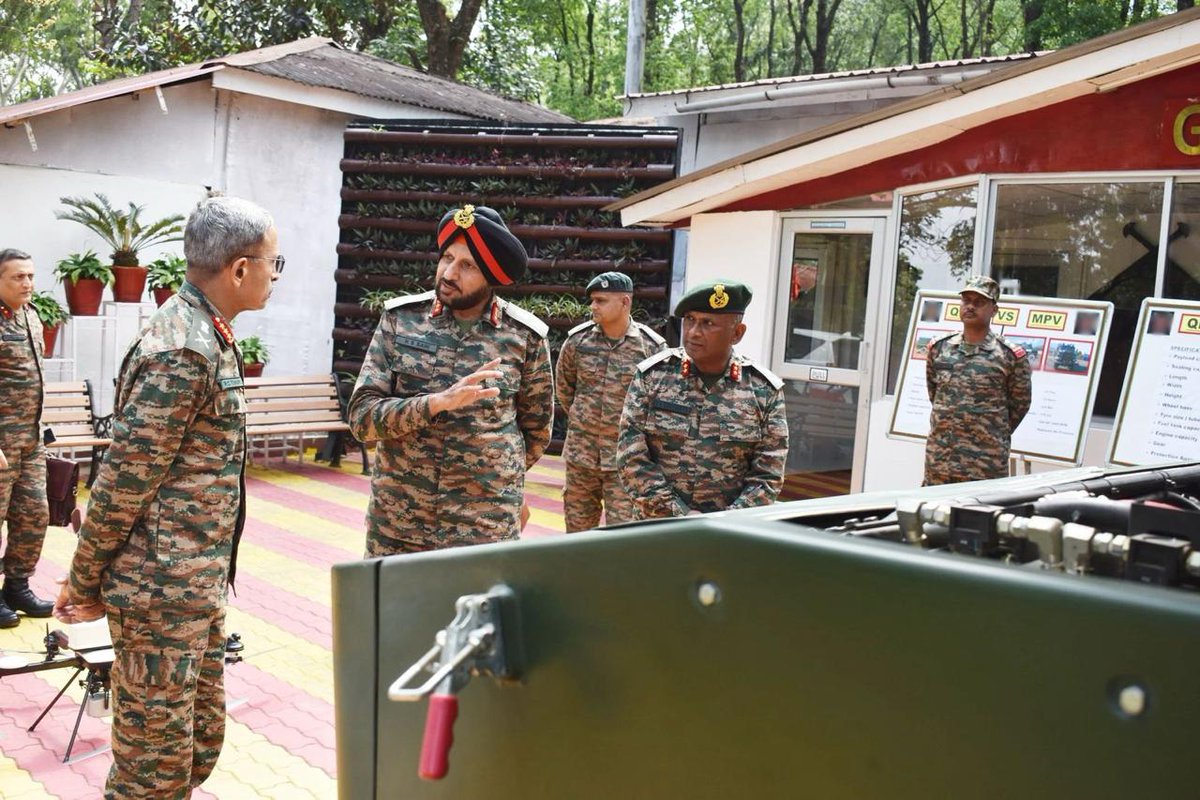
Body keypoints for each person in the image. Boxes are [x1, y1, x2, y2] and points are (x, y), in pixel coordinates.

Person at [53, 196, 282, 798]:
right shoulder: (182, 348)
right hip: (159, 595)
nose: (273, 277)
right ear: (238, 269)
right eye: (272, 264)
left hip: (192, 586)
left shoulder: (209, 334)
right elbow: (122, 483)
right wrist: (82, 584)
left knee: (196, 747)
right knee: (151, 772)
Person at [349, 204, 553, 555]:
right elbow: (362, 419)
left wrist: (497, 486)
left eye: (467, 265)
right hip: (400, 522)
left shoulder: (525, 337)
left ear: (491, 274)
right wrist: (434, 404)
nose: (448, 272)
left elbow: (535, 433)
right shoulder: (401, 320)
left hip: (484, 528)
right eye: (446, 258)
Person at [617, 279, 789, 519]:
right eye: (690, 320)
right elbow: (631, 456)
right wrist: (679, 515)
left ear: (737, 333)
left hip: (728, 536)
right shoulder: (652, 377)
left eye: (708, 323)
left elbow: (768, 475)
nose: (694, 332)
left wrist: (722, 523)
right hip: (657, 527)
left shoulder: (764, 391)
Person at [556, 271, 666, 531]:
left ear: (625, 302)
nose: (593, 306)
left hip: (626, 461)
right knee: (577, 533)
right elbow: (565, 390)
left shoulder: (651, 348)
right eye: (592, 300)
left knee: (622, 534)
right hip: (581, 458)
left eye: (601, 300)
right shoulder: (577, 342)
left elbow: (657, 405)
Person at [923, 276, 1032, 486]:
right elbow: (934, 395)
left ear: (994, 310)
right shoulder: (939, 349)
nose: (970, 307)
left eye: (979, 302)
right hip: (940, 461)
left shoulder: (1009, 355)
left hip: (985, 465)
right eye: (966, 301)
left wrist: (988, 431)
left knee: (980, 518)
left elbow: (1019, 405)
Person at [0, 248, 54, 628]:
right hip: (1, 444)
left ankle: (16, 586)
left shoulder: (31, 317)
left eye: (31, 276)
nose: (28, 283)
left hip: (30, 441)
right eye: (19, 277)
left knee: (34, 514)